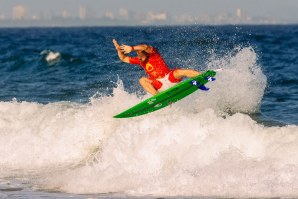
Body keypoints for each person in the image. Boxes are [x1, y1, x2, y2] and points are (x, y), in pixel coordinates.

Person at [112, 39, 201, 95]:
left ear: (146, 53)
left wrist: (132, 48)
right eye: (138, 56)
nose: (140, 58)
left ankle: (202, 76)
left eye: (141, 56)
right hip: (159, 85)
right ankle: (158, 98)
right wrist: (118, 49)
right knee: (142, 80)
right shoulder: (139, 60)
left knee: (179, 72)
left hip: (169, 78)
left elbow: (145, 46)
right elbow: (123, 58)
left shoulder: (154, 54)